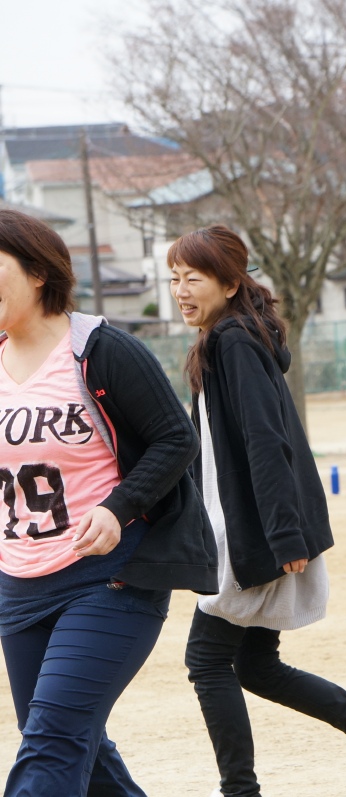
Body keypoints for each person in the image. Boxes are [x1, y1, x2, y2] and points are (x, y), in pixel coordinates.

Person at [169, 226, 346, 797]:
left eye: (194, 278)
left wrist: (284, 535)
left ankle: (240, 791)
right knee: (255, 666)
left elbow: (267, 441)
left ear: (230, 283)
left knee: (206, 660)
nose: (181, 290)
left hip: (255, 531)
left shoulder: (233, 341)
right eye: (175, 279)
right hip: (249, 526)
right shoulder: (228, 338)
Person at [0, 208, 216, 796]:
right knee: (70, 743)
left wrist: (118, 508)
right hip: (19, 585)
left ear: (38, 273)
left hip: (109, 577)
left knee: (53, 739)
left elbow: (176, 439)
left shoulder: (100, 350)